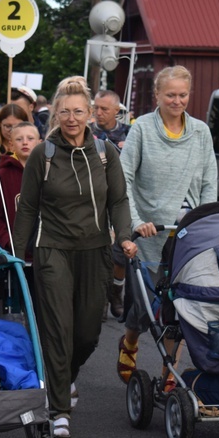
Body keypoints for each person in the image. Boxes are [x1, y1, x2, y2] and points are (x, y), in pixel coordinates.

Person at [12, 76, 137, 438]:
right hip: (53, 250)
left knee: (87, 334)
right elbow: (29, 208)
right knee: (58, 329)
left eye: (79, 111)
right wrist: (18, 256)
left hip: (95, 250)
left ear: (89, 113)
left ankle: (66, 376)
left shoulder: (105, 152)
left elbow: (118, 200)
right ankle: (59, 409)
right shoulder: (43, 153)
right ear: (55, 114)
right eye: (65, 112)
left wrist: (124, 236)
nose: (71, 118)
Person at [118, 65, 217, 385]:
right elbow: (124, 179)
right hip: (148, 231)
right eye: (170, 94)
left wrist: (203, 223)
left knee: (181, 305)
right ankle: (130, 340)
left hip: (186, 233)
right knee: (146, 307)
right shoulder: (143, 129)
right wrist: (134, 222)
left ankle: (169, 370)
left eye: (183, 95)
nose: (177, 101)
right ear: (157, 95)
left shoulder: (200, 131)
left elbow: (209, 184)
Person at [91, 90, 131, 319]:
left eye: (104, 109)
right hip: (93, 198)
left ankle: (116, 290)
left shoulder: (130, 134)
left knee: (119, 253)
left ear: (117, 111)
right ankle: (98, 300)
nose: (99, 113)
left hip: (118, 197)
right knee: (96, 251)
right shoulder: (87, 133)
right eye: (96, 108)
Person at [0, 122, 40, 253]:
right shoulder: (2, 176)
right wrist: (6, 240)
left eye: (30, 138)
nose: (25, 142)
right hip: (13, 250)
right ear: (11, 145)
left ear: (40, 143)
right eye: (19, 139)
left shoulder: (48, 172)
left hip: (45, 250)